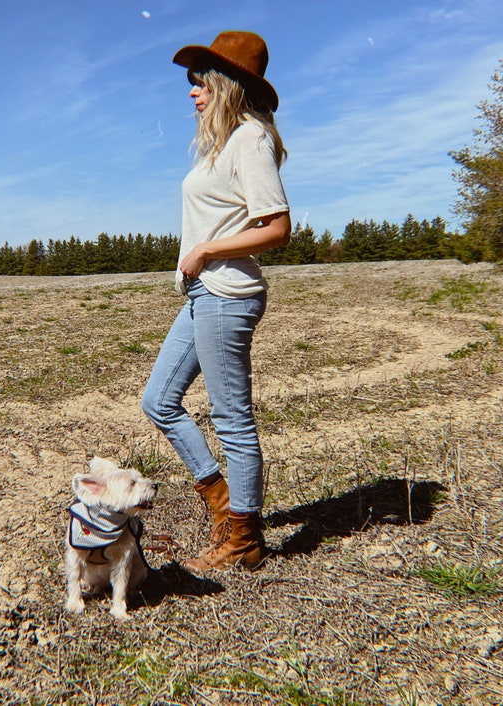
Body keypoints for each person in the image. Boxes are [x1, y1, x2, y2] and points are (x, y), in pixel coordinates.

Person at [141, 31, 291, 571]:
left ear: (226, 84)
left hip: (227, 293)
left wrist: (206, 249)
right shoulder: (223, 145)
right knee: (157, 400)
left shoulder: (250, 138)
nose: (191, 92)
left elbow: (277, 227)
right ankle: (222, 502)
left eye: (199, 81)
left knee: (232, 419)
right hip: (205, 293)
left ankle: (244, 539)